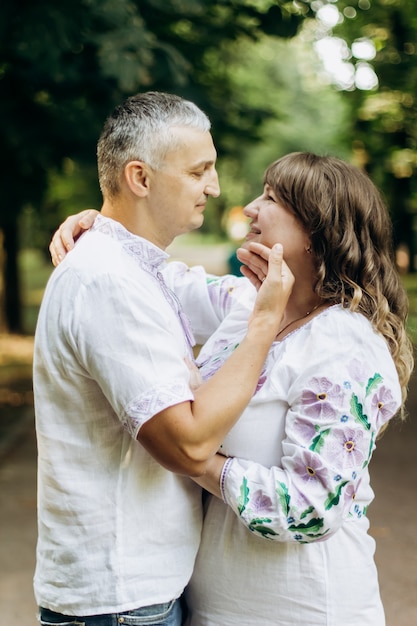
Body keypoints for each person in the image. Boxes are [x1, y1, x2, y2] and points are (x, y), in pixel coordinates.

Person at [52, 151, 414, 625]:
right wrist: (103, 227)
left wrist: (193, 455)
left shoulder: (343, 343)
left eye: (272, 198)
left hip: (305, 610)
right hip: (213, 607)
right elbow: (155, 282)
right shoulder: (247, 303)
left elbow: (311, 508)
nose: (249, 208)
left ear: (316, 232)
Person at [33, 91, 294, 626]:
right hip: (120, 600)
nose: (215, 188)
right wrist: (264, 328)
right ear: (141, 178)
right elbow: (188, 442)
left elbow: (230, 299)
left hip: (135, 592)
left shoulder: (137, 269)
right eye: (200, 171)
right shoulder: (107, 280)